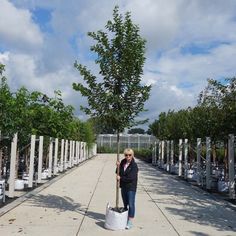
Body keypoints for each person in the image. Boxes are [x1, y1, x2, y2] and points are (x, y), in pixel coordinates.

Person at [116, 148, 138, 229]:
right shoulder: (122, 162)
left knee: (131, 204)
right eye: (126, 155)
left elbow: (131, 178)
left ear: (132, 155)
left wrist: (120, 178)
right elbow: (117, 172)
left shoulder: (134, 165)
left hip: (131, 187)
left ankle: (130, 221)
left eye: (129, 155)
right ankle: (125, 217)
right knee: (125, 204)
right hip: (123, 187)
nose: (128, 156)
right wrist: (118, 166)